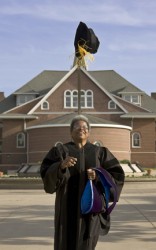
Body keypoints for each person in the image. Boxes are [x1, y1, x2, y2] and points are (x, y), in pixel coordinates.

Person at [40, 115, 125, 250]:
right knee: (65, 243)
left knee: (87, 243)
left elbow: (117, 176)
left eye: (85, 127)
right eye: (77, 127)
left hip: (90, 209)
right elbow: (46, 175)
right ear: (70, 132)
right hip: (66, 208)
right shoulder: (60, 151)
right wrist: (61, 166)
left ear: (89, 132)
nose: (81, 129)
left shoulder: (100, 152)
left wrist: (98, 175)